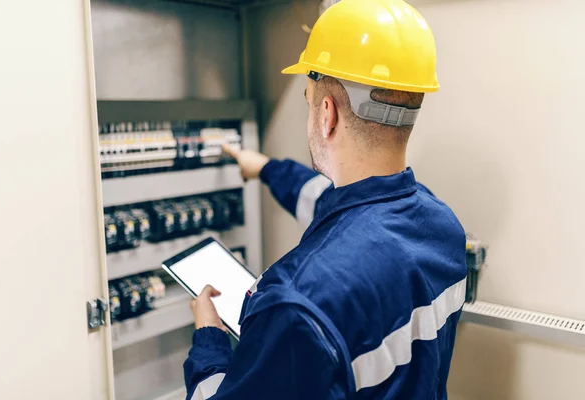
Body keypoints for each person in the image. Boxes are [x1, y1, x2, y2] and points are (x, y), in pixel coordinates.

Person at [184, 0, 467, 398]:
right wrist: (265, 167)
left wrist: (209, 339)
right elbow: (336, 207)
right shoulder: (441, 227)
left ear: (327, 114)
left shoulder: (296, 304)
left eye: (308, 99)